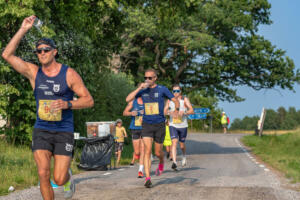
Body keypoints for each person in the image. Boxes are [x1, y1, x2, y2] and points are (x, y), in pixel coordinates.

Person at [1, 15, 94, 200]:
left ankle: (68, 179)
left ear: (54, 52)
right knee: (43, 174)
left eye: (46, 50)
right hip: (42, 129)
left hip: (63, 131)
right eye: (38, 51)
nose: (42, 53)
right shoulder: (34, 73)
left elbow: (89, 100)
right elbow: (7, 55)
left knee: (58, 179)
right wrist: (23, 29)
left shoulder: (69, 74)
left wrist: (68, 104)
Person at [126, 68, 180, 188]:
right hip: (146, 124)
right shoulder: (142, 90)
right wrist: (139, 88)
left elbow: (175, 100)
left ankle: (161, 161)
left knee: (158, 152)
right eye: (145, 78)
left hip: (160, 124)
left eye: (150, 78)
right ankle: (148, 178)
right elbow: (128, 99)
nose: (147, 80)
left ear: (155, 78)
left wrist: (176, 110)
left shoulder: (162, 89)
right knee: (147, 151)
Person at [164, 84, 194, 170]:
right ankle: (174, 162)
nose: (176, 93)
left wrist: (184, 113)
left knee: (181, 145)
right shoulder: (169, 100)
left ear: (180, 91)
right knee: (174, 142)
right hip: (173, 125)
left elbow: (192, 110)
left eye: (177, 91)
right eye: (174, 91)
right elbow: (164, 111)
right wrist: (170, 113)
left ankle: (184, 156)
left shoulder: (184, 99)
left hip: (183, 125)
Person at [123, 97, 145, 178]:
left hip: (145, 128)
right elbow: (124, 112)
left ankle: (140, 170)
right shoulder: (133, 102)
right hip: (135, 128)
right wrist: (131, 113)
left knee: (143, 150)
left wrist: (145, 113)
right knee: (137, 152)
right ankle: (137, 155)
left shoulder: (147, 101)